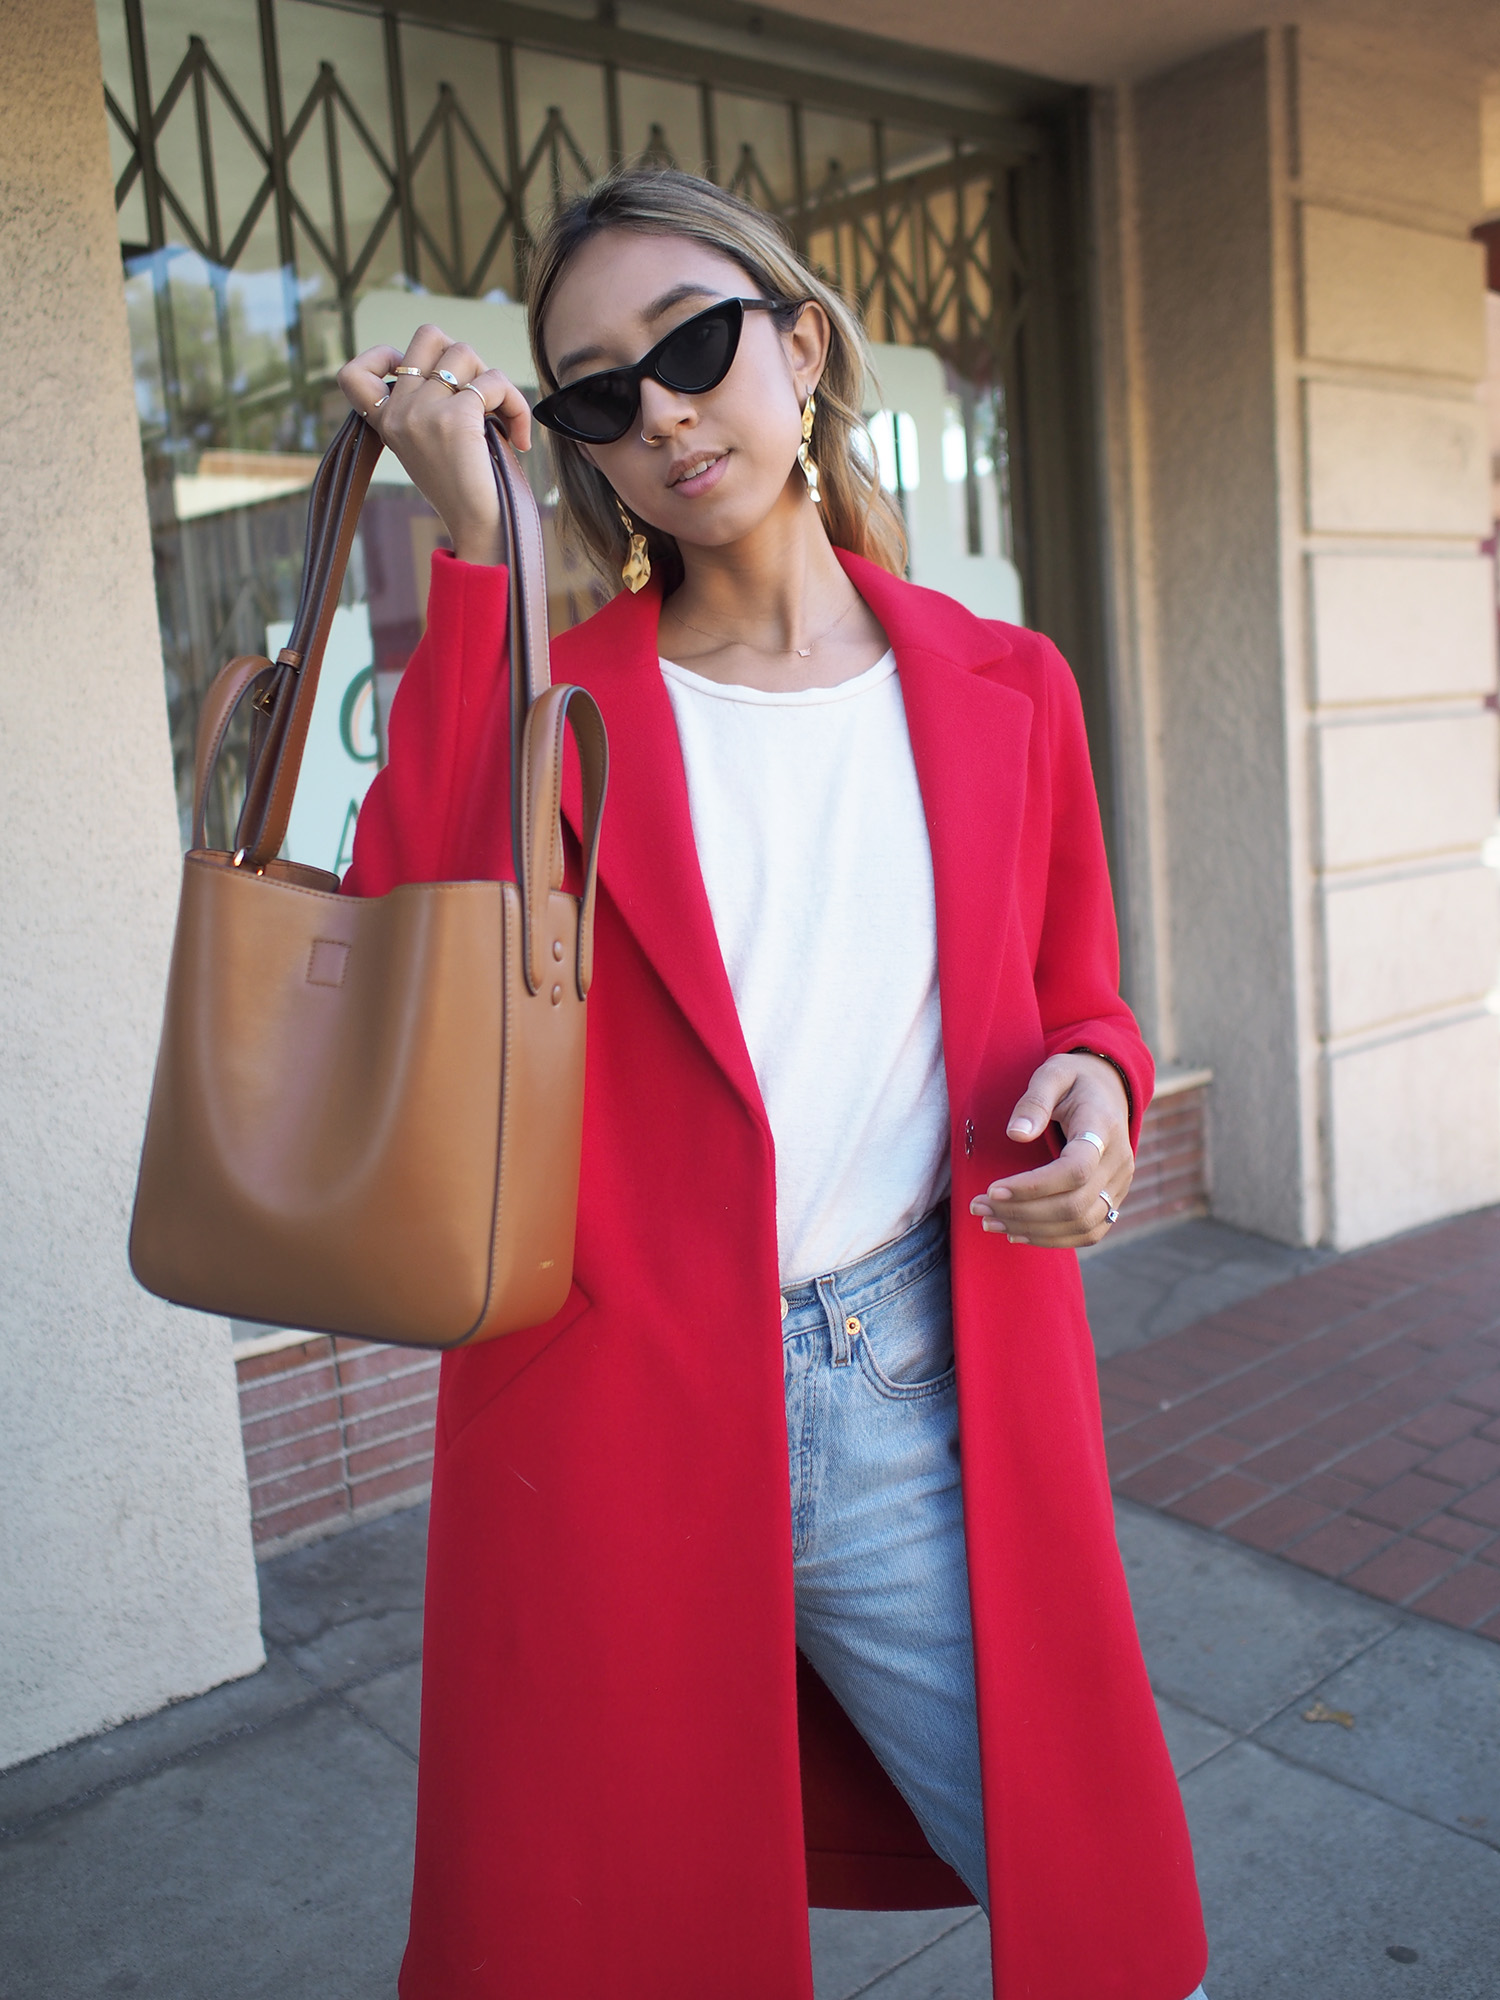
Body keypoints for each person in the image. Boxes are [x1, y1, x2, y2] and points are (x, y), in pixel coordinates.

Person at [338, 166, 1209, 2000]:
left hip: (917, 1383)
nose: (656, 409)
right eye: (594, 391)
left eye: (693, 343)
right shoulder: (561, 699)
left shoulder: (1005, 682)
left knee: (1109, 1920)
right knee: (621, 1935)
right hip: (611, 1404)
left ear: (800, 347)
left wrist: (1101, 1097)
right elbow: (406, 938)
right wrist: (476, 557)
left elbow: (1080, 997)